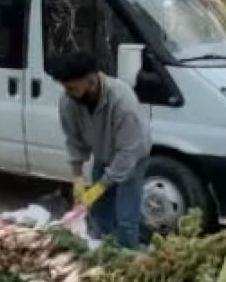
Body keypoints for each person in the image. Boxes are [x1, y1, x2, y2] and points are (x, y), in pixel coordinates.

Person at [48, 50, 150, 248]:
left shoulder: (122, 101)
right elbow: (74, 140)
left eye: (71, 87)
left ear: (91, 80)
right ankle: (100, 251)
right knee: (98, 213)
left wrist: (100, 187)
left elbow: (128, 152)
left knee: (126, 217)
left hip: (133, 157)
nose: (67, 92)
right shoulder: (69, 102)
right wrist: (77, 179)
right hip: (103, 155)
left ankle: (128, 257)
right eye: (64, 87)